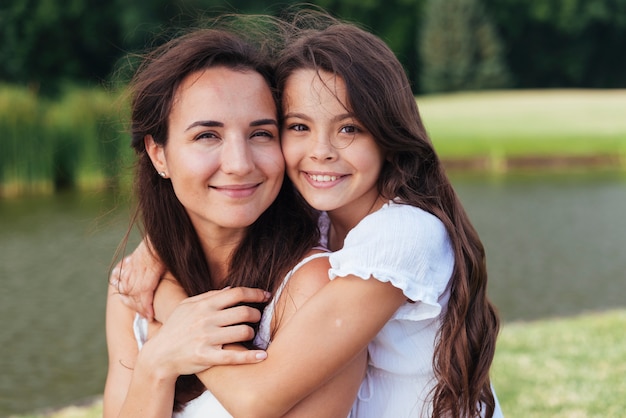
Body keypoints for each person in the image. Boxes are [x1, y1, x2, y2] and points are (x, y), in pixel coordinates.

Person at [116, 11, 503, 417]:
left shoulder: (402, 233)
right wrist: (157, 248)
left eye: (349, 128)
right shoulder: (322, 214)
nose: (321, 151)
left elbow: (255, 399)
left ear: (388, 135)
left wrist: (175, 310)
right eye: (299, 127)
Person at [104, 25, 366, 417]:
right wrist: (156, 366)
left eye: (261, 133)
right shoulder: (134, 287)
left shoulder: (313, 287)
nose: (240, 164)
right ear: (159, 154)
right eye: (208, 135)